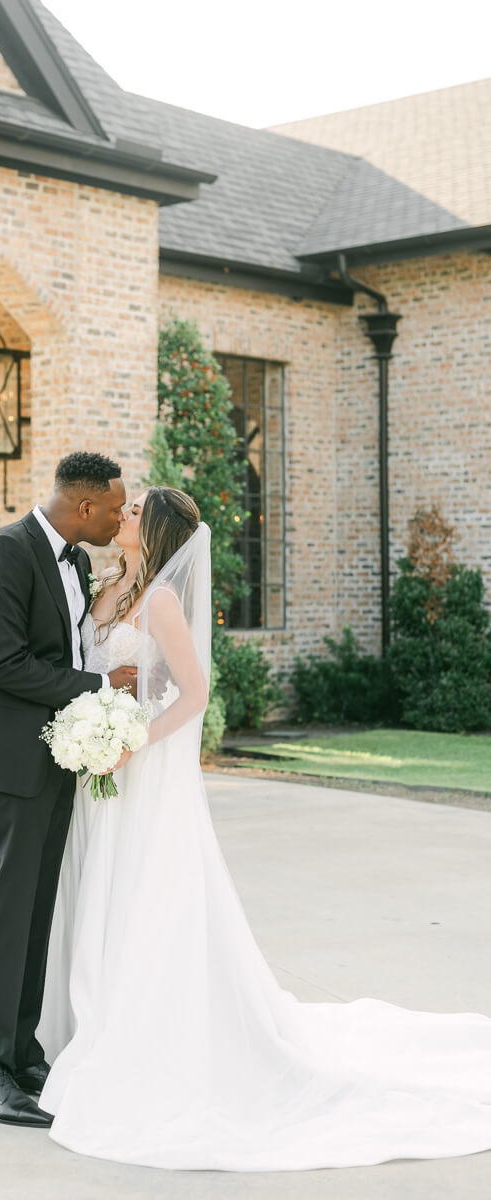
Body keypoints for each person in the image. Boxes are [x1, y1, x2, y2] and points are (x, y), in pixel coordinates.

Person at [37, 485, 491, 1171]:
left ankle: (144, 1029)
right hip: (102, 770)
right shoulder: (113, 586)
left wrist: (131, 740)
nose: (121, 514)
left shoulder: (160, 598)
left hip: (141, 769)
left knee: (145, 892)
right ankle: (91, 1017)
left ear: (153, 529)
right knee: (104, 887)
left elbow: (191, 695)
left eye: (132, 511)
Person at [0, 451, 139, 1128]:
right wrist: (99, 688)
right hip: (2, 762)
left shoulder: (78, 562)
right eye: (116, 508)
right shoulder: (5, 552)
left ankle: (21, 1053)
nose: (121, 519)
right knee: (8, 912)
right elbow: (5, 666)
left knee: (35, 913)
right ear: (84, 507)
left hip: (52, 759)